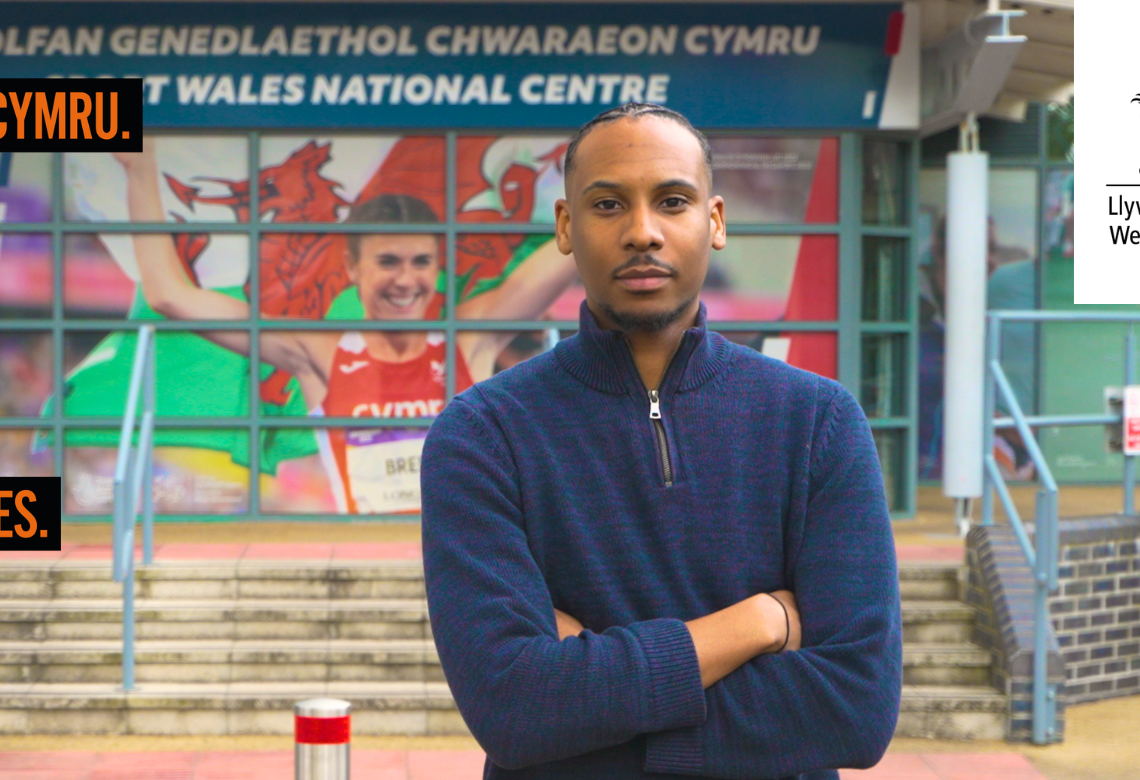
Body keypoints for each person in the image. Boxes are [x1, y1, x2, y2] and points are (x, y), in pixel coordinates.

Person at [420, 103, 901, 779]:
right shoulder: (483, 434)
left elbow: (855, 709)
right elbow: (512, 705)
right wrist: (756, 624)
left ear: (716, 221)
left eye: (672, 201)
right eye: (608, 204)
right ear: (565, 227)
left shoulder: (817, 422)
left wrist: (596, 710)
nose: (641, 232)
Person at [112, 149, 577, 515]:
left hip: (461, 567)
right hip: (365, 556)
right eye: (387, 262)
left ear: (439, 267)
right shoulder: (320, 350)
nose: (405, 280)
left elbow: (571, 247)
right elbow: (169, 296)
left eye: (420, 262)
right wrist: (140, 168)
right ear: (353, 268)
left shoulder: (469, 337)